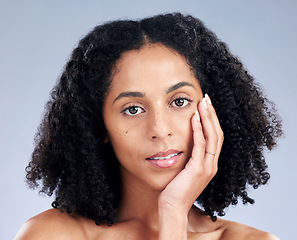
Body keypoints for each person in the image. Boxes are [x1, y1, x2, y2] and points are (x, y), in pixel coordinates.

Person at [14, 13, 282, 239]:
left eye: (179, 101)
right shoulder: (51, 234)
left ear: (213, 110)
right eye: (133, 109)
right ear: (99, 127)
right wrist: (174, 215)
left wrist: (173, 211)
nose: (160, 129)